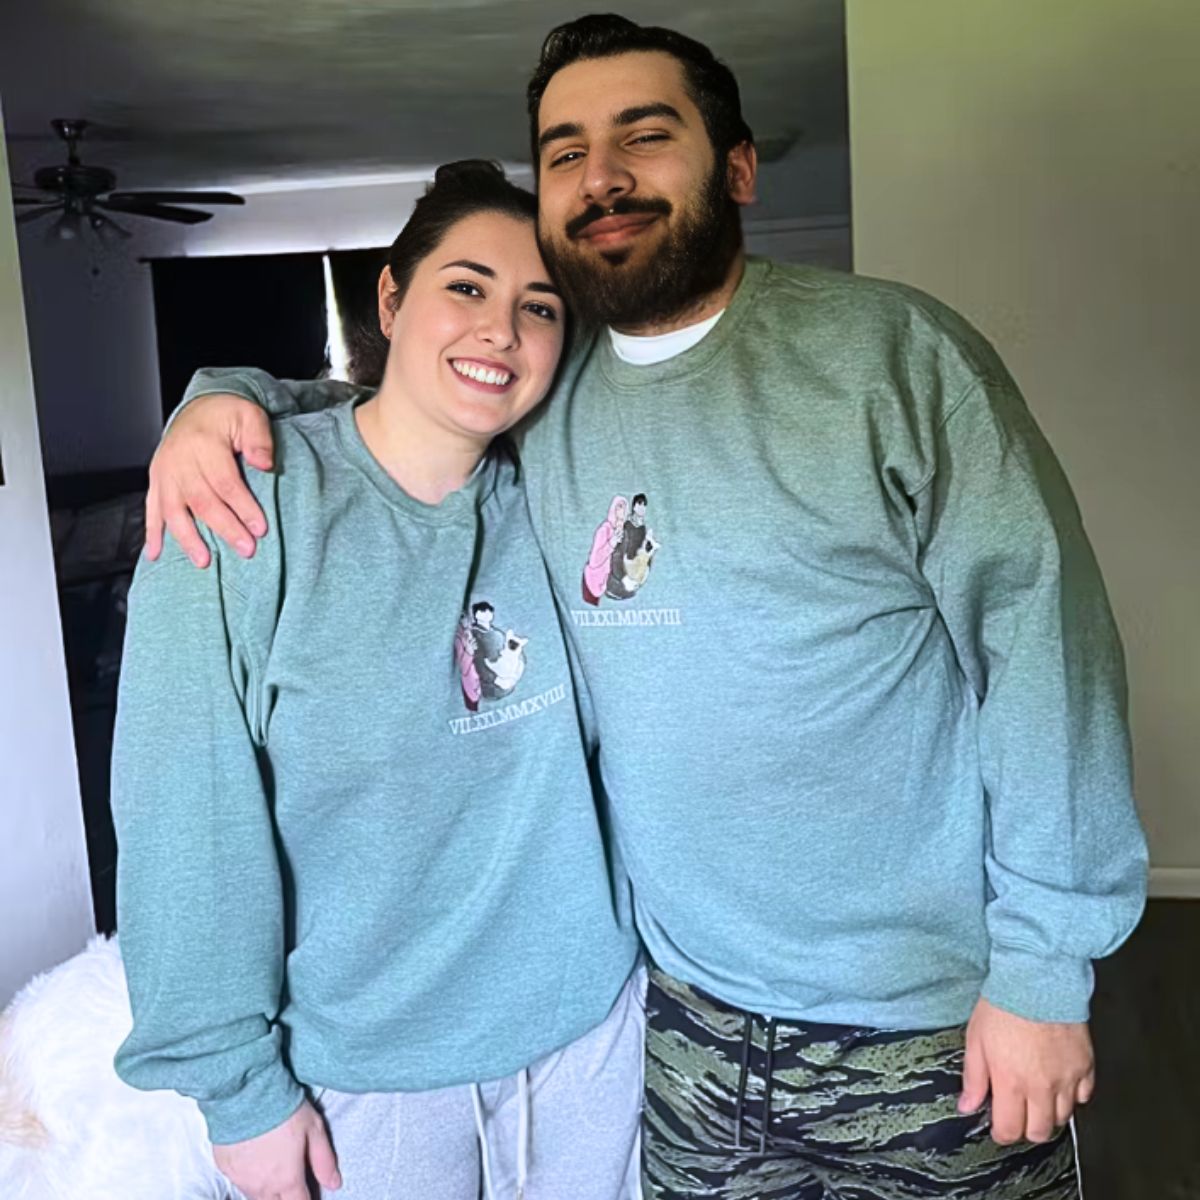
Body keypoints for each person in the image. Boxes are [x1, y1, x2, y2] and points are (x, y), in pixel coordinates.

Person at [144, 15, 1148, 1200]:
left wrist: (1045, 967)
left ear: (735, 166)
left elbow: (1047, 655)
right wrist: (219, 397)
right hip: (680, 1032)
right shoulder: (539, 403)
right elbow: (407, 400)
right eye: (564, 151)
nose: (602, 175)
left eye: (645, 134)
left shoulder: (892, 358)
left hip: (926, 1024)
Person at [111, 160, 643, 1200]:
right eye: (467, 287)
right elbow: (185, 817)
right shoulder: (239, 508)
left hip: (588, 1035)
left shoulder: (559, 485)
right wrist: (238, 1090)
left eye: (539, 306)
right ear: (390, 299)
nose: (501, 328)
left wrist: (226, 387)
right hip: (370, 1080)